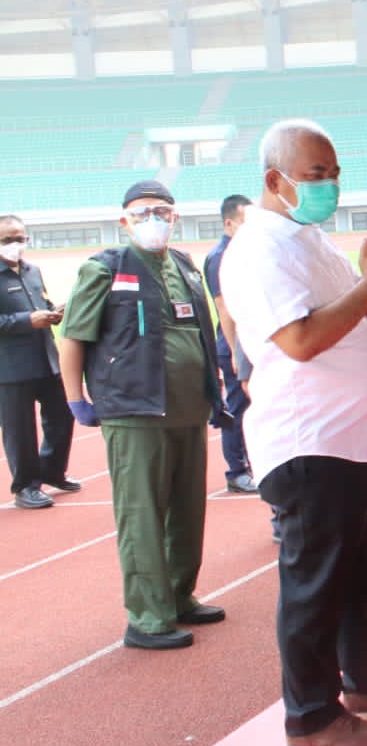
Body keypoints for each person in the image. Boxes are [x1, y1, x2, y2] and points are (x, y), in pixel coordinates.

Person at [221, 120, 367, 746]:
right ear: (276, 180)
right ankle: (312, 718)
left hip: (350, 437)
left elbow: (354, 311)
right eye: (315, 175)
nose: (329, 186)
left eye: (333, 173)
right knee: (316, 583)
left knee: (354, 571)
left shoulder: (308, 237)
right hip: (307, 442)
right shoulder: (259, 251)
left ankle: (365, 680)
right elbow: (300, 340)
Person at [59, 180, 227, 651]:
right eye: (143, 211)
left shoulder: (184, 266)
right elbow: (73, 337)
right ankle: (148, 617)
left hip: (188, 409)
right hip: (134, 410)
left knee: (187, 510)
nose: (153, 218)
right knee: (143, 515)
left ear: (175, 217)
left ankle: (178, 595)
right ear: (124, 219)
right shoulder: (104, 268)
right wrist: (76, 399)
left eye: (162, 210)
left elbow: (198, 331)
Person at [0, 215, 77, 509]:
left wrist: (52, 312)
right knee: (20, 429)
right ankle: (26, 486)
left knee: (61, 416)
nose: (15, 244)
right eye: (7, 239)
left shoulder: (32, 271)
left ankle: (52, 470)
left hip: (46, 359)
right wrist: (26, 321)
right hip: (10, 367)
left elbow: (40, 306)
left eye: (20, 237)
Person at [204, 194, 257, 493]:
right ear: (229, 223)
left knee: (253, 407)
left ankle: (253, 463)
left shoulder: (244, 252)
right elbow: (224, 308)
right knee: (237, 408)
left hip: (252, 342)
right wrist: (236, 349)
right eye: (245, 222)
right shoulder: (219, 257)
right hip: (234, 346)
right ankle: (237, 471)